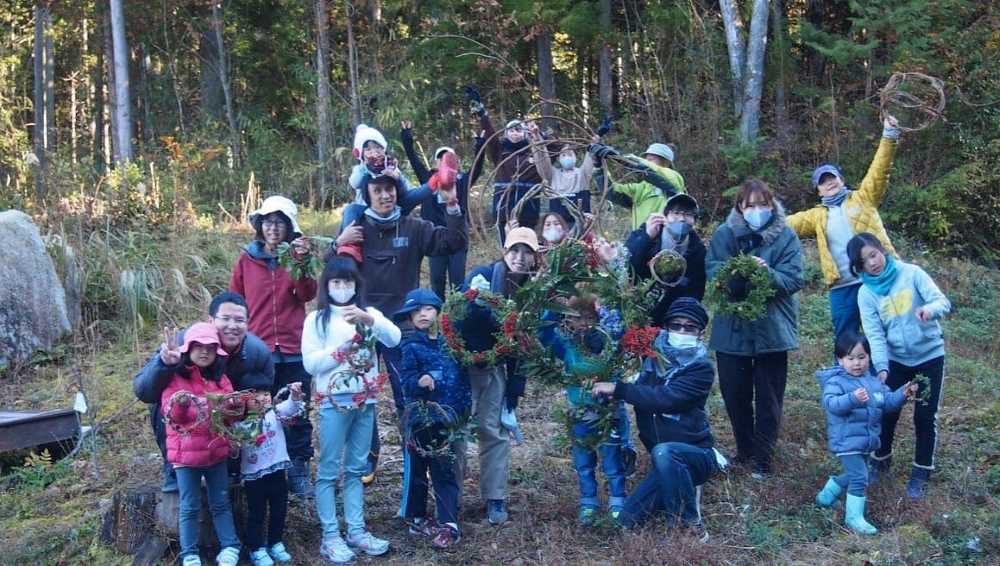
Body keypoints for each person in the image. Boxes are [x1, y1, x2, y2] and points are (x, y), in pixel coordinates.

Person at [330, 172, 467, 482]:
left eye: (389, 189)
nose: (384, 196)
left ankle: (416, 454)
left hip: (402, 327)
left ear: (397, 192)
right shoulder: (357, 228)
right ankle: (369, 457)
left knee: (410, 393)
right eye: (377, 191)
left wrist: (453, 206)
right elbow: (333, 271)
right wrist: (338, 242)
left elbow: (454, 242)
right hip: (361, 326)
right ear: (368, 195)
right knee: (361, 394)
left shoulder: (413, 227)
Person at [591, 298, 726, 541]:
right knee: (625, 522)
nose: (681, 332)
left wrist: (620, 389)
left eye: (689, 327)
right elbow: (619, 344)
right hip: (662, 459)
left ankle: (690, 526)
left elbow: (665, 398)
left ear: (701, 333)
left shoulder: (701, 368)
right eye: (676, 325)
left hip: (694, 455)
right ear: (666, 327)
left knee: (666, 452)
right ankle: (677, 486)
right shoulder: (652, 357)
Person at [301, 257, 402, 563]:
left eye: (348, 283)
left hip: (366, 399)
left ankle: (356, 531)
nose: (342, 289)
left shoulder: (368, 314)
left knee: (357, 469)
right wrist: (342, 351)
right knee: (330, 468)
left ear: (357, 286)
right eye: (336, 283)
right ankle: (330, 535)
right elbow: (311, 364)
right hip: (334, 402)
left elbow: (394, 338)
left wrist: (369, 320)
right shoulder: (316, 320)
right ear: (326, 286)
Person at [707, 179, 804, 477]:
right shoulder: (724, 235)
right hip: (731, 330)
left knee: (768, 398)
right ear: (740, 207)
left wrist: (767, 274)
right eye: (750, 205)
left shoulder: (785, 237)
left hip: (772, 331)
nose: (757, 210)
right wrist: (737, 274)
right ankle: (745, 450)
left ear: (772, 205)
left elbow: (793, 279)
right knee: (735, 396)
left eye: (763, 204)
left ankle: (763, 458)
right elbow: (714, 273)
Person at [133, 291, 273, 494]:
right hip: (187, 414)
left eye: (239, 320)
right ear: (210, 320)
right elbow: (144, 391)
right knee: (163, 401)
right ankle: (174, 469)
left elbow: (265, 398)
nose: (232, 326)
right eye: (225, 319)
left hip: (227, 415)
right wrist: (165, 365)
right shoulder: (182, 342)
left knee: (252, 398)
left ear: (248, 324)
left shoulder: (257, 352)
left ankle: (234, 465)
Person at [848, 232, 951, 498]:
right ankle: (880, 463)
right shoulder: (865, 293)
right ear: (858, 268)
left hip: (930, 357)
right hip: (896, 362)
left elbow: (942, 301)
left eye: (873, 254)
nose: (872, 263)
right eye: (863, 262)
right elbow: (875, 334)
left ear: (882, 249)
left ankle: (921, 473)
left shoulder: (912, 273)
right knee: (886, 412)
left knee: (925, 417)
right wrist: (882, 367)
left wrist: (930, 311)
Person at [230, 195, 317, 498]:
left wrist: (302, 262)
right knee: (258, 409)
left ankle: (298, 469)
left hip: (293, 346)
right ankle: (260, 468)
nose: (273, 228)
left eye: (280, 222)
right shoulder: (246, 260)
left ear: (289, 227)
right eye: (268, 222)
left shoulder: (295, 257)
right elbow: (235, 301)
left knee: (297, 410)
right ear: (260, 225)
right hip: (258, 349)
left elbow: (306, 294)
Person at [787, 118, 903, 341]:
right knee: (846, 341)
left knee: (889, 334)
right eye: (823, 181)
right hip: (843, 287)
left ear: (841, 180)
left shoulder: (863, 199)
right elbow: (786, 224)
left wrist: (889, 135)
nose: (829, 182)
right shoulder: (816, 216)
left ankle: (891, 376)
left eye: (833, 178)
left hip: (879, 277)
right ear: (818, 191)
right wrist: (755, 219)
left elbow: (879, 171)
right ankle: (847, 377)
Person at [458, 227, 541, 524]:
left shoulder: (533, 292)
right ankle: (450, 497)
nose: (519, 258)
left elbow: (526, 344)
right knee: (457, 431)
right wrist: (477, 304)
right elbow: (455, 316)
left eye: (526, 252)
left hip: (496, 369)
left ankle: (495, 498)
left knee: (492, 432)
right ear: (504, 251)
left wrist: (515, 390)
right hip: (465, 365)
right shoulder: (483, 275)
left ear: (535, 257)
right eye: (514, 251)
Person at [537, 294, 627, 525]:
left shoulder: (610, 341)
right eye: (577, 317)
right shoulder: (567, 346)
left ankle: (618, 501)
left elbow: (623, 334)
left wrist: (609, 309)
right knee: (583, 461)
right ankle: (588, 502)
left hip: (608, 410)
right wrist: (553, 306)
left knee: (612, 459)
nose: (584, 322)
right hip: (580, 412)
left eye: (589, 317)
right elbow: (543, 334)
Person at [815, 332, 917, 535]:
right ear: (840, 359)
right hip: (846, 441)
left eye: (861, 357)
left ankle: (827, 494)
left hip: (866, 440)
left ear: (869, 358)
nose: (856, 363)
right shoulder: (836, 382)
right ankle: (854, 518)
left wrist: (902, 394)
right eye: (850, 358)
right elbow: (831, 404)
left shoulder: (873, 382)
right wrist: (852, 398)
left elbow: (886, 402)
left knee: (859, 474)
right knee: (860, 477)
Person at [159, 322, 242, 566]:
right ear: (188, 349)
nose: (204, 352)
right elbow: (173, 416)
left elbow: (231, 415)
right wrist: (182, 404)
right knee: (189, 506)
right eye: (198, 347)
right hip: (185, 457)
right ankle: (189, 554)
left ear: (217, 352)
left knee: (221, 502)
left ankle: (230, 546)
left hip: (216, 453)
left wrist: (235, 406)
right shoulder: (175, 378)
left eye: (210, 347)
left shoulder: (221, 379)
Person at [395, 288, 471, 549]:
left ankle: (449, 523)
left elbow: (465, 376)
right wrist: (419, 381)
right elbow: (404, 383)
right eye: (415, 311)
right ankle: (416, 516)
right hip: (422, 419)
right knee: (416, 469)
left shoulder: (454, 343)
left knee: (444, 469)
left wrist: (464, 410)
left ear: (439, 312)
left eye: (427, 308)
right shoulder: (411, 346)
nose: (422, 314)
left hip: (450, 419)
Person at [399, 120, 486, 299]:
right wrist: (406, 136)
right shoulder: (427, 179)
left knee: (458, 283)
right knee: (437, 282)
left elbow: (477, 168)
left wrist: (480, 144)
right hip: (434, 238)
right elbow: (413, 158)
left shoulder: (461, 181)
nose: (445, 162)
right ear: (436, 162)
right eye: (441, 158)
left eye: (450, 159)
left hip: (457, 237)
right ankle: (439, 318)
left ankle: (456, 318)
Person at [336, 123, 433, 264]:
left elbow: (405, 191)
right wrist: (364, 166)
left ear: (384, 149)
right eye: (368, 149)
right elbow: (354, 183)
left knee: (416, 194)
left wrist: (396, 178)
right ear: (360, 154)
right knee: (350, 210)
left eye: (377, 147)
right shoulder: (361, 169)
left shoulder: (391, 165)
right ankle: (349, 244)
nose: (373, 152)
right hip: (367, 208)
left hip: (394, 205)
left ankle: (437, 182)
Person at [467, 85, 545, 244]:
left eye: (518, 130)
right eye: (511, 130)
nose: (514, 133)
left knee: (529, 247)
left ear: (525, 133)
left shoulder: (535, 152)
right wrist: (482, 112)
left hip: (529, 211)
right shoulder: (499, 151)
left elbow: (555, 149)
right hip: (504, 211)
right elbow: (489, 132)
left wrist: (538, 136)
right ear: (506, 133)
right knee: (507, 248)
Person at [240, 382, 305, 566]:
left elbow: (291, 407)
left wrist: (294, 395)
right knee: (257, 512)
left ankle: (275, 542)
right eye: (256, 396)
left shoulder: (275, 413)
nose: (263, 398)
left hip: (277, 470)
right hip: (254, 476)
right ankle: (256, 548)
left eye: (266, 393)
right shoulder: (240, 422)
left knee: (279, 508)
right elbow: (234, 445)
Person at [625, 193, 706, 325]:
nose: (681, 219)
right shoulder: (646, 233)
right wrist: (647, 238)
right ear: (665, 216)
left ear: (694, 221)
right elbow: (627, 264)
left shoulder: (698, 250)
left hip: (672, 315)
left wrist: (682, 317)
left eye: (688, 215)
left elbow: (696, 290)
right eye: (676, 213)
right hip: (637, 309)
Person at [589, 141, 686, 230]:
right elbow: (611, 192)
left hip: (664, 237)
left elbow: (651, 170)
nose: (647, 161)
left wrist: (621, 157)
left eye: (651, 159)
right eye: (646, 159)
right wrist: (599, 169)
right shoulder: (641, 187)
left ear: (666, 162)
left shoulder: (674, 178)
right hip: (641, 240)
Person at [527, 121, 594, 217]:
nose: (567, 157)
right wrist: (537, 139)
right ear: (559, 159)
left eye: (570, 154)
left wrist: (594, 143)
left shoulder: (582, 174)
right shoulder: (553, 175)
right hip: (559, 224)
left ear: (575, 157)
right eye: (563, 155)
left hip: (582, 221)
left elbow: (591, 156)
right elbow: (542, 162)